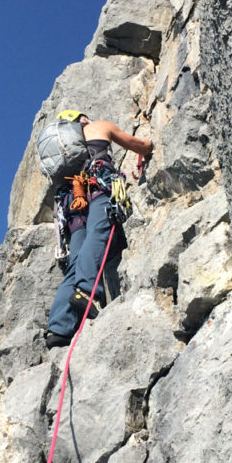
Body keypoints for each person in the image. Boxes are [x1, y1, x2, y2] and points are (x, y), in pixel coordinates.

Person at [45, 113, 153, 348]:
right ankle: (87, 291)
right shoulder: (97, 127)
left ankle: (58, 328)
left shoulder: (63, 151)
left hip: (72, 206)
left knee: (74, 263)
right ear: (82, 119)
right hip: (98, 190)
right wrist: (149, 148)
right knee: (98, 233)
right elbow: (139, 145)